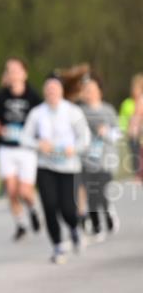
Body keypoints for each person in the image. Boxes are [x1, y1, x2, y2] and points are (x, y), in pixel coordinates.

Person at [20, 76, 91, 264]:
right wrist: (38, 144)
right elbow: (24, 138)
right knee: (49, 206)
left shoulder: (72, 112)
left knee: (68, 209)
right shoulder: (37, 113)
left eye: (55, 89)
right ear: (45, 93)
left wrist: (73, 148)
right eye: (48, 90)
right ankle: (58, 246)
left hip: (69, 166)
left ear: (61, 92)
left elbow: (85, 138)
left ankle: (74, 229)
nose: (51, 93)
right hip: (46, 167)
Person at [0, 57, 42, 241]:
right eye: (9, 70)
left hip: (26, 149)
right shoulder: (0, 97)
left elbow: (41, 125)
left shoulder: (33, 97)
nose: (13, 74)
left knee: (25, 192)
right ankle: (21, 224)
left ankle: (33, 209)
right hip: (6, 148)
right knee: (11, 191)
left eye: (16, 70)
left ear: (24, 73)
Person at [77, 74, 120, 240]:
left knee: (101, 190)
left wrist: (106, 132)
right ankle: (96, 225)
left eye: (92, 90)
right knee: (91, 192)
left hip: (106, 159)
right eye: (86, 90)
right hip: (88, 159)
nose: (89, 93)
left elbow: (117, 134)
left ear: (99, 91)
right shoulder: (79, 111)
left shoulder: (108, 109)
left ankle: (108, 212)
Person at [118, 73, 143, 180]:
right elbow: (122, 120)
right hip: (131, 135)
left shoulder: (141, 101)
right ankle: (137, 175)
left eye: (137, 88)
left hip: (140, 134)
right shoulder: (127, 103)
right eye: (133, 87)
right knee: (134, 157)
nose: (134, 90)